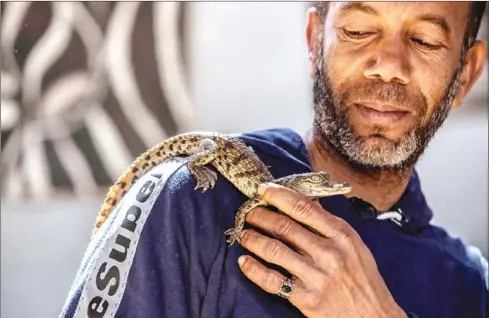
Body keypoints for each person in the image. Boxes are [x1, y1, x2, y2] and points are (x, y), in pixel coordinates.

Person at [60, 2, 488, 317]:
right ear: (314, 40)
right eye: (358, 30)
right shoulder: (188, 201)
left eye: (425, 40)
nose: (389, 66)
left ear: (466, 74)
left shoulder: (472, 286)